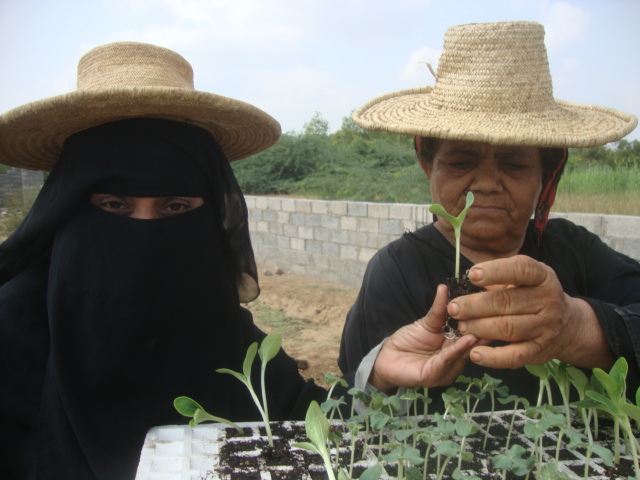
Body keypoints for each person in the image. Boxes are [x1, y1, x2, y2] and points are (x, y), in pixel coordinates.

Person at [0, 42, 336, 480]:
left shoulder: (224, 334)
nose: (144, 237)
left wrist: (382, 378)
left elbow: (314, 424)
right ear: (70, 209)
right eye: (115, 206)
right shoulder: (11, 332)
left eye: (175, 208)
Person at [338, 21, 640, 411]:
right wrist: (380, 376)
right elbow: (354, 405)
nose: (486, 182)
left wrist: (578, 325)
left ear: (545, 174)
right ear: (427, 163)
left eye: (514, 164)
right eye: (462, 161)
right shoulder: (396, 271)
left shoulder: (575, 249)